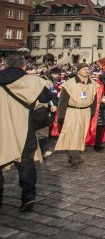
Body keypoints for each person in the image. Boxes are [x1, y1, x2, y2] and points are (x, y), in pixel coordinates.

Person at [0, 54, 52, 212]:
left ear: (5, 65)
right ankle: (28, 196)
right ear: (24, 66)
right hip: (23, 127)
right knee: (26, 162)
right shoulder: (32, 81)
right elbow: (47, 96)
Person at [54, 63, 99, 168]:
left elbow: (94, 100)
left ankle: (74, 155)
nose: (86, 71)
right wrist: (61, 116)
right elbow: (62, 101)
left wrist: (92, 112)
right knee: (72, 134)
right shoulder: (69, 84)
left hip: (85, 112)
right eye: (84, 69)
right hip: (72, 112)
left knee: (80, 134)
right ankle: (74, 157)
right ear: (78, 71)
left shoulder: (93, 84)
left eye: (88, 69)